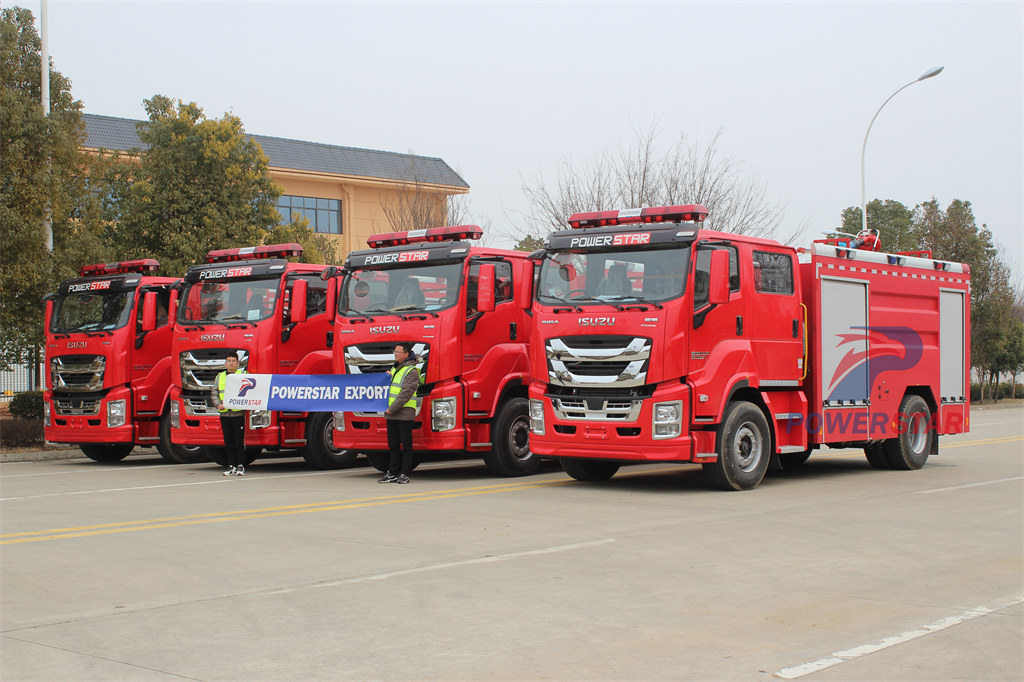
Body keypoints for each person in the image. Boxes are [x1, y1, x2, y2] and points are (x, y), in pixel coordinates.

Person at [379, 342, 421, 484]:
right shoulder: (395, 368)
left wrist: (392, 409)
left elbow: (405, 393)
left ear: (406, 354)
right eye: (394, 351)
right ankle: (392, 472)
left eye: (398, 351)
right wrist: (385, 378)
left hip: (403, 414)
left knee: (406, 445)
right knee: (393, 445)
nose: (395, 354)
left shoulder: (412, 371)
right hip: (392, 413)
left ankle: (404, 473)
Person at [211, 350, 248, 476]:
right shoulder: (219, 376)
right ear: (225, 363)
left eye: (233, 361)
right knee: (228, 442)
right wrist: (217, 404)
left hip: (238, 414)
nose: (231, 364)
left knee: (239, 442)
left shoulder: (243, 374)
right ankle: (231, 466)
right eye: (229, 361)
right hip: (225, 414)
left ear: (237, 363)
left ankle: (241, 466)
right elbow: (214, 393)